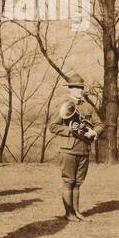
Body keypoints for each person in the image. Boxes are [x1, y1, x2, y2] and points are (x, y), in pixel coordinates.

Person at [48, 72, 104, 221]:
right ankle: (69, 213)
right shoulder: (64, 105)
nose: (79, 90)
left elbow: (100, 124)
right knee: (68, 181)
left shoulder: (88, 107)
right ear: (70, 89)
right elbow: (53, 126)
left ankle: (77, 212)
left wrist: (94, 131)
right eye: (76, 88)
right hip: (68, 150)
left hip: (84, 148)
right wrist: (69, 130)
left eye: (81, 88)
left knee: (78, 183)